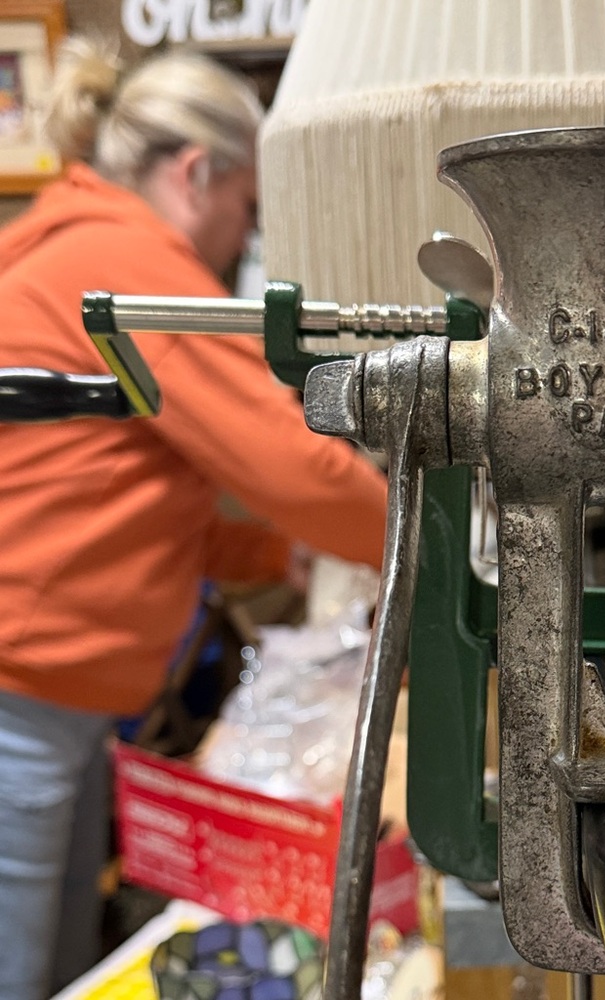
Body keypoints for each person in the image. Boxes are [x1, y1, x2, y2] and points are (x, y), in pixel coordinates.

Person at [0, 38, 388, 999]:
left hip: (53, 703)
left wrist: (275, 551)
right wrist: (433, 540)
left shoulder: (76, 241)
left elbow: (129, 501)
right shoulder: (128, 264)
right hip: (21, 702)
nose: (241, 242)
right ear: (195, 174)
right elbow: (292, 465)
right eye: (247, 210)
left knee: (54, 968)